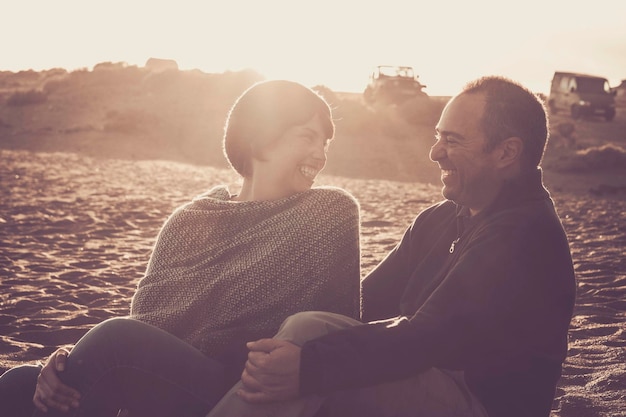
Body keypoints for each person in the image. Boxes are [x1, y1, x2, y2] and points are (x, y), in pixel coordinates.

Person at [211, 76, 577, 417]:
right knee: (306, 329)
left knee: (309, 345)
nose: (435, 152)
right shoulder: (441, 219)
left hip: (479, 402)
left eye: (452, 140)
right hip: (420, 372)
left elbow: (429, 338)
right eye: (438, 137)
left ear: (505, 152)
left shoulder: (525, 234)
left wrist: (308, 367)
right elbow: (361, 304)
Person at [0, 80, 362, 417]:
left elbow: (338, 327)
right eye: (308, 137)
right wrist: (66, 360)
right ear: (260, 139)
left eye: (326, 144)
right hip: (153, 376)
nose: (320, 154)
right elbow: (146, 321)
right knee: (20, 383)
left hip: (238, 389)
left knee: (116, 340)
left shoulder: (328, 212)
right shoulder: (190, 218)